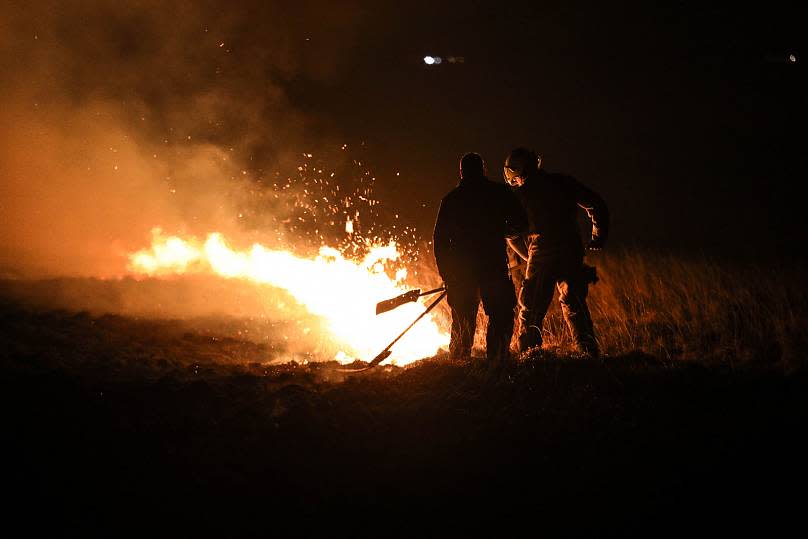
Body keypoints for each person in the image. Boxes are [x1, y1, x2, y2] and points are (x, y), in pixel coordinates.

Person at [503, 147, 609, 357]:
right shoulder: (563, 182)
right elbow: (596, 204)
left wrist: (527, 256)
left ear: (516, 171)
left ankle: (529, 356)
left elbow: (511, 235)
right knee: (574, 303)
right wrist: (598, 236)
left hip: (542, 252)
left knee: (531, 309)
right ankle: (589, 353)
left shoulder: (521, 195)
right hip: (572, 249)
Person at [433, 152, 528, 362]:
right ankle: (497, 360)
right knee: (501, 314)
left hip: (462, 273)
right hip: (492, 267)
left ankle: (458, 367)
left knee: (462, 320)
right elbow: (521, 223)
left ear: (461, 173)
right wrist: (502, 231)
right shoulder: (498, 193)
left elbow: (439, 241)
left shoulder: (451, 200)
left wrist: (447, 274)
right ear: (483, 170)